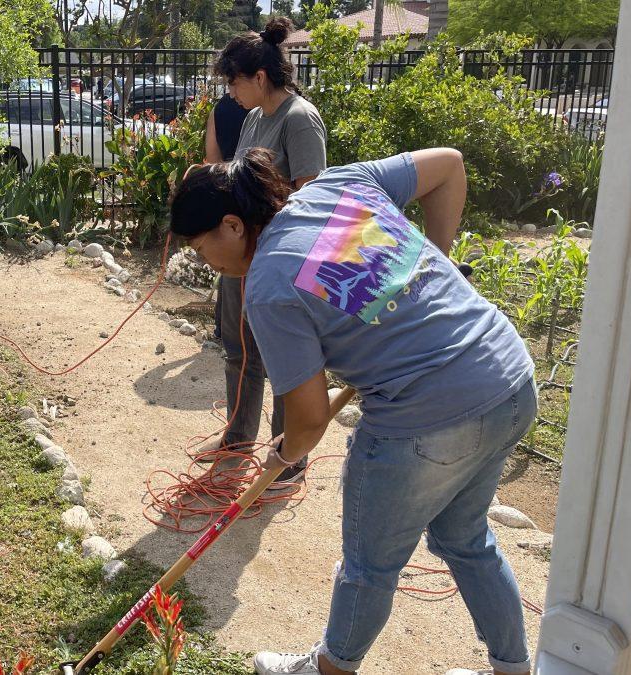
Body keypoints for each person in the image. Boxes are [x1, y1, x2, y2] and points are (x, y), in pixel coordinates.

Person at [168, 147, 537, 675]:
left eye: (203, 250)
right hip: (507, 376)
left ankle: (329, 670)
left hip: (426, 417)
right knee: (465, 537)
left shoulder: (270, 286)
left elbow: (311, 418)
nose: (209, 265)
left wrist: (285, 454)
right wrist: (433, 260)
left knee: (368, 566)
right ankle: (513, 669)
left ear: (231, 225)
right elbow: (452, 164)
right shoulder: (338, 184)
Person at [205, 17, 328, 485]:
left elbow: (311, 197)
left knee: (284, 360)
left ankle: (286, 457)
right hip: (243, 256)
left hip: (279, 265)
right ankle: (238, 439)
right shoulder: (255, 117)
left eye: (233, 82)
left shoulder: (300, 119)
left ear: (258, 77)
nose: (230, 92)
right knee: (239, 351)